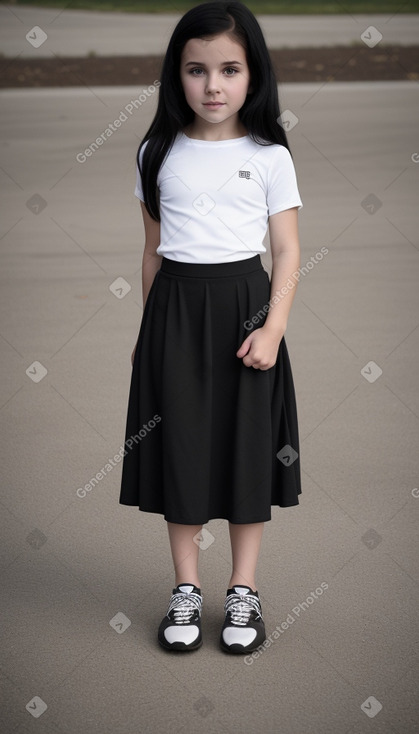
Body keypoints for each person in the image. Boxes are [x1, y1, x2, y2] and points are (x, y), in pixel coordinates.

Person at [119, 0, 303, 655]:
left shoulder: (270, 154)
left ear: (253, 75)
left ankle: (244, 591)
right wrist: (150, 335)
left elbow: (286, 251)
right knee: (183, 451)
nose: (213, 85)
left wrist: (273, 328)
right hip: (175, 313)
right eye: (196, 70)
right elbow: (152, 250)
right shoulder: (154, 152)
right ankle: (186, 588)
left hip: (246, 311)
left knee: (247, 449)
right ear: (176, 75)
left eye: (229, 69)